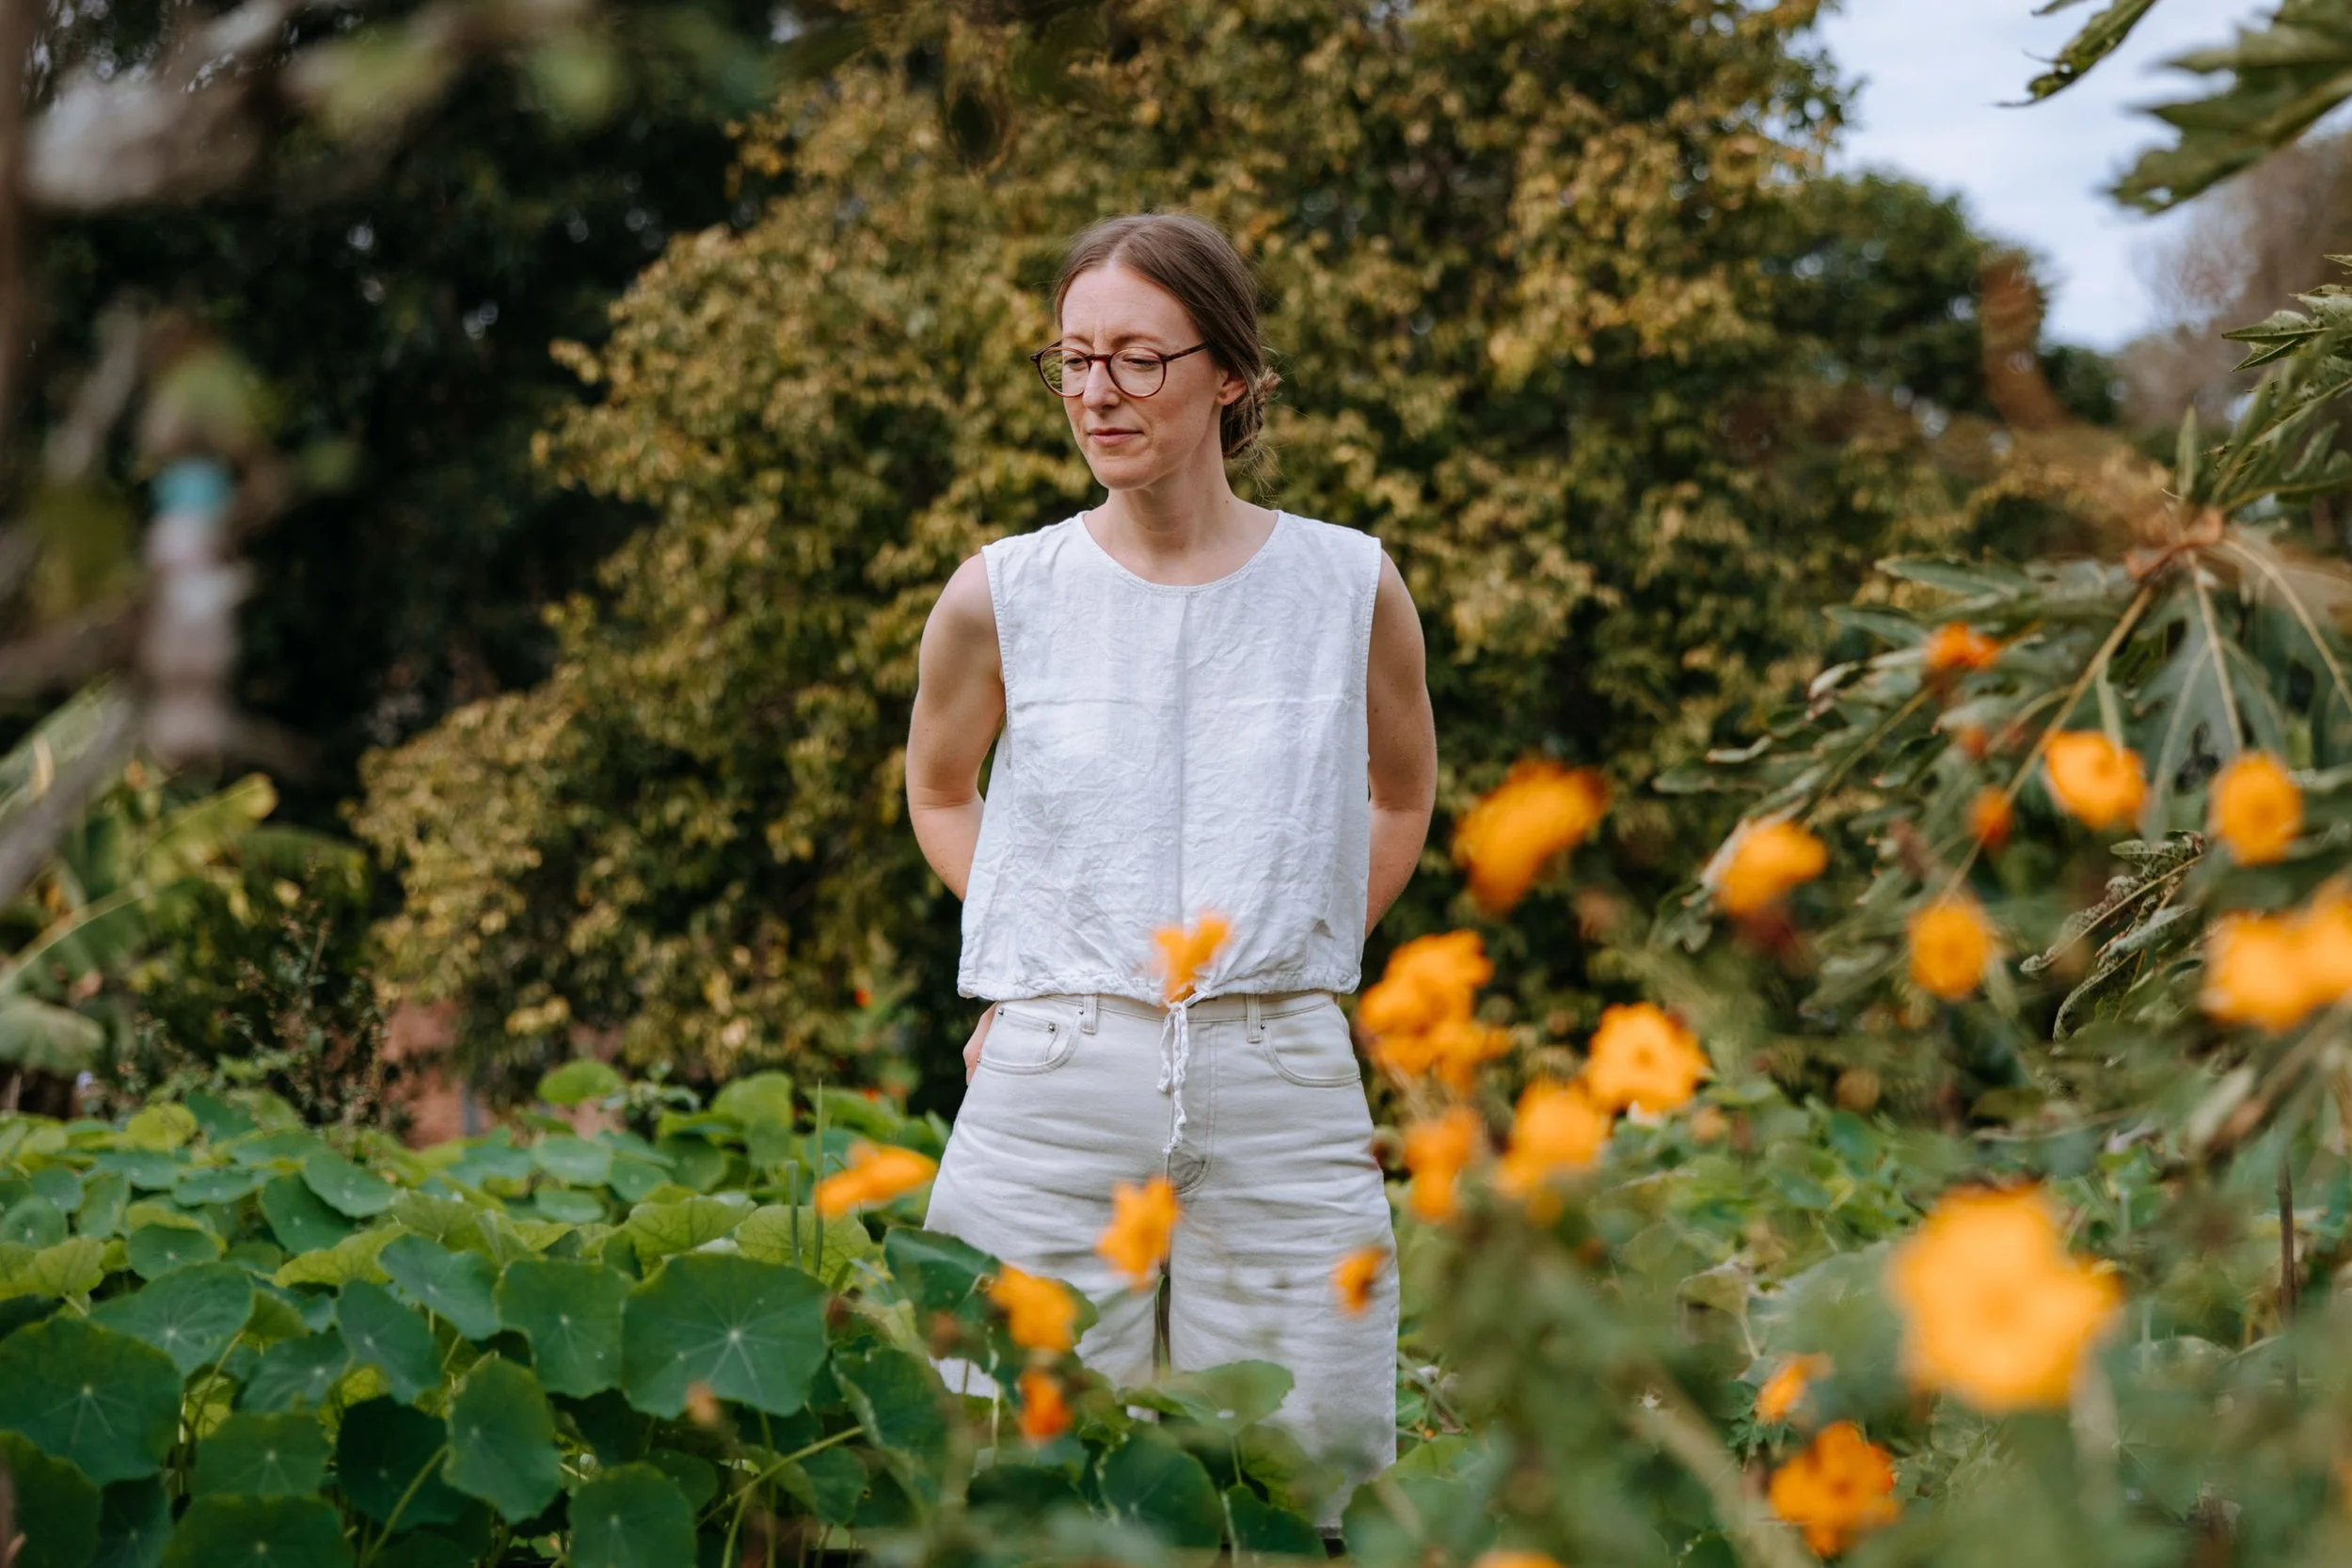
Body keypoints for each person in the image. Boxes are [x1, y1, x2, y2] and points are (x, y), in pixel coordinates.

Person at [902, 210, 1438, 1530]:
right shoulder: (999, 593)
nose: (1098, 393)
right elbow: (937, 788)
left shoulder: (1350, 585)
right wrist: (1042, 949)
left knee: (1306, 1483)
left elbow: (1404, 791)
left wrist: (1291, 952)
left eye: (1139, 359)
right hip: (1049, 1089)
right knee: (997, 1470)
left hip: (1289, 1096)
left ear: (1231, 373)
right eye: (1075, 359)